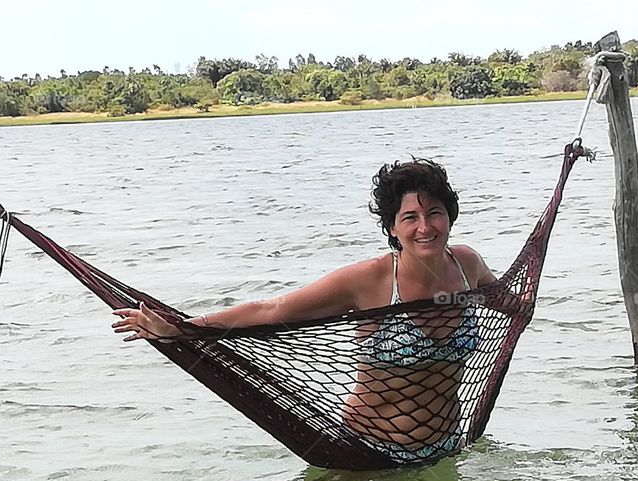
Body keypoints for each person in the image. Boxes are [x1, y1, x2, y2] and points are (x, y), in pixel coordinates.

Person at [112, 158, 500, 463]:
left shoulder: (466, 264)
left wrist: (525, 289)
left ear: (450, 216)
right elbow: (272, 309)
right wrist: (184, 328)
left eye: (434, 213)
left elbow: (507, 301)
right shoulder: (370, 281)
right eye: (410, 217)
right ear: (392, 228)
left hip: (447, 450)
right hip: (368, 456)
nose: (425, 227)